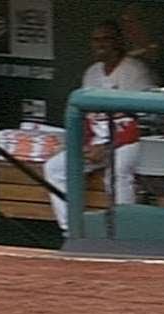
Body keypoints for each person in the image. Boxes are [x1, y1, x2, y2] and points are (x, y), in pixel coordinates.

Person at [44, 21, 156, 235]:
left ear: (119, 42)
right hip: (99, 143)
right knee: (56, 168)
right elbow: (86, 116)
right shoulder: (92, 73)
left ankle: (126, 230)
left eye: (106, 39)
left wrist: (107, 148)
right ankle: (71, 230)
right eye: (96, 40)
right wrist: (85, 146)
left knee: (118, 169)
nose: (100, 44)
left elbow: (142, 122)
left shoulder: (135, 71)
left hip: (132, 141)